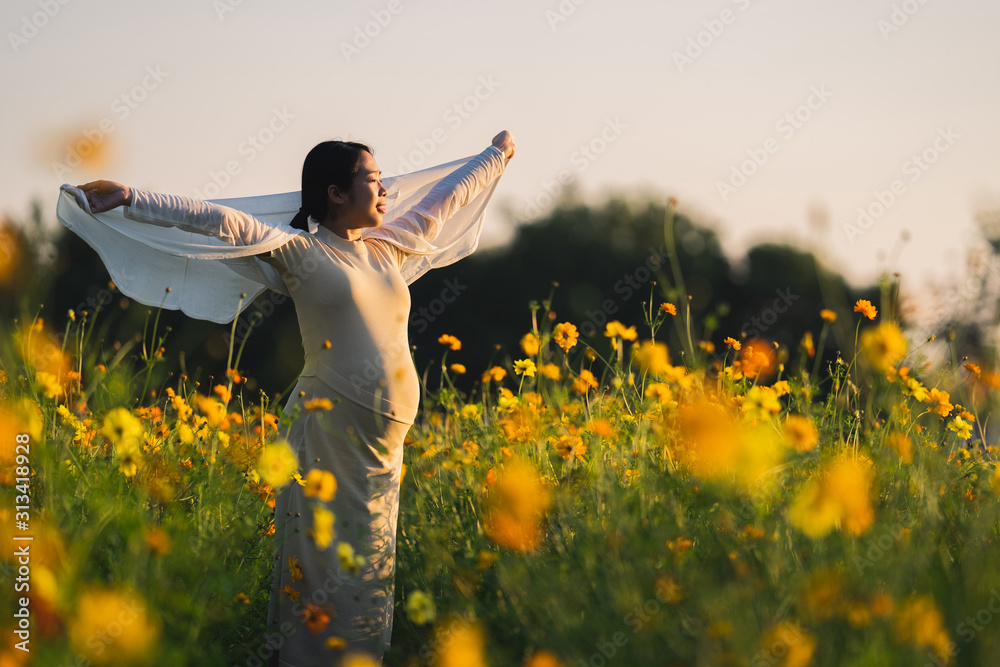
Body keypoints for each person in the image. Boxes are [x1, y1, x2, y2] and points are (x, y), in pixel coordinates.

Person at [72, 130, 515, 665]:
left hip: (381, 453)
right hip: (327, 437)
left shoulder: (390, 248)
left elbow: (447, 198)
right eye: (373, 180)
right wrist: (131, 198)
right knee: (324, 564)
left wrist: (496, 155)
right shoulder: (300, 252)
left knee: (370, 568)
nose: (385, 190)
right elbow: (219, 221)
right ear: (336, 193)